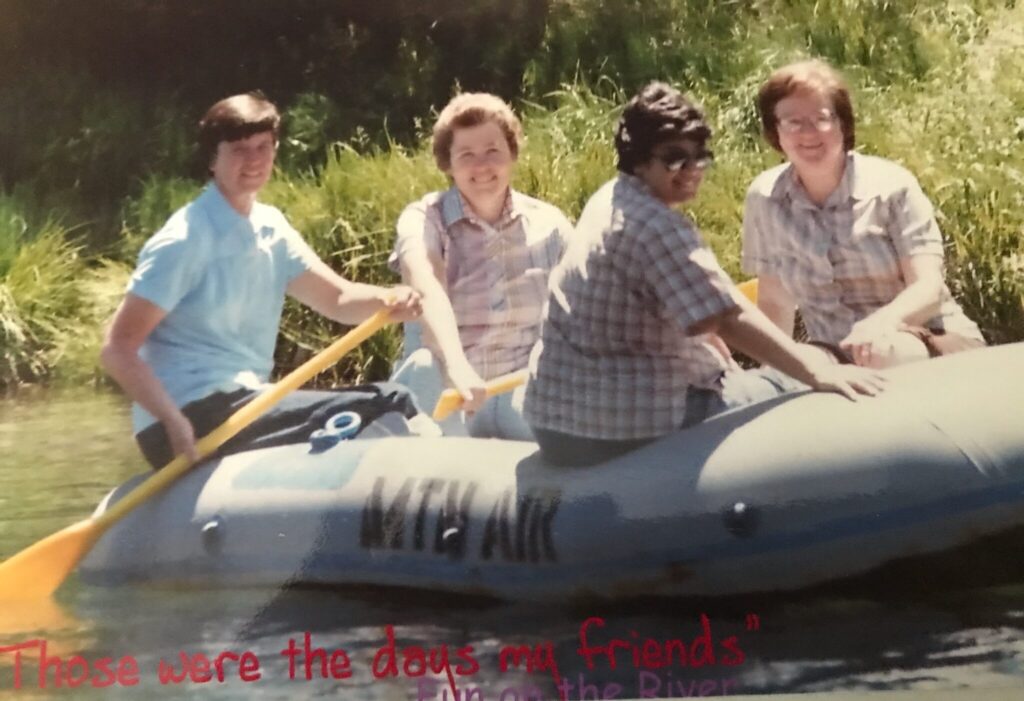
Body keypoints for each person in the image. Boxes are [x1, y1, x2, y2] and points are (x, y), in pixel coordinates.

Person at [523, 82, 886, 467]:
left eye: (700, 157)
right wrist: (817, 372)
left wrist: (722, 362)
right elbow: (729, 318)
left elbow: (698, 310)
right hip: (623, 430)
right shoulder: (658, 227)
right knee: (819, 362)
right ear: (638, 159)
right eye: (675, 159)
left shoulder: (608, 199)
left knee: (752, 370)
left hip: (556, 424)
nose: (692, 170)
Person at [101, 92, 425, 469]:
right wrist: (174, 421)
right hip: (187, 417)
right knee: (387, 402)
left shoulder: (272, 227)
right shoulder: (185, 239)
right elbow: (117, 350)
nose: (254, 160)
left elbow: (338, 300)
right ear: (212, 158)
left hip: (245, 401)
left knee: (389, 400)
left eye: (263, 147)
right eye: (239, 149)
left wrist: (390, 299)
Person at [743, 59, 985, 368]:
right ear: (775, 131)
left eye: (821, 118)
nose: (808, 133)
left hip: (928, 339)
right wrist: (775, 372)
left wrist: (879, 326)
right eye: (793, 122)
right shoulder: (764, 198)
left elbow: (929, 289)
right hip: (837, 356)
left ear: (843, 124)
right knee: (785, 373)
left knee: (879, 354)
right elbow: (775, 301)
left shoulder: (891, 187)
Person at [388, 93, 574, 440]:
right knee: (426, 367)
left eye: (493, 152)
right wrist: (458, 368)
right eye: (466, 155)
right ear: (448, 164)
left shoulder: (552, 225)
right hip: (444, 389)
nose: (482, 166)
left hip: (517, 390)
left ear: (512, 154)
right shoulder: (423, 218)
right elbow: (427, 286)